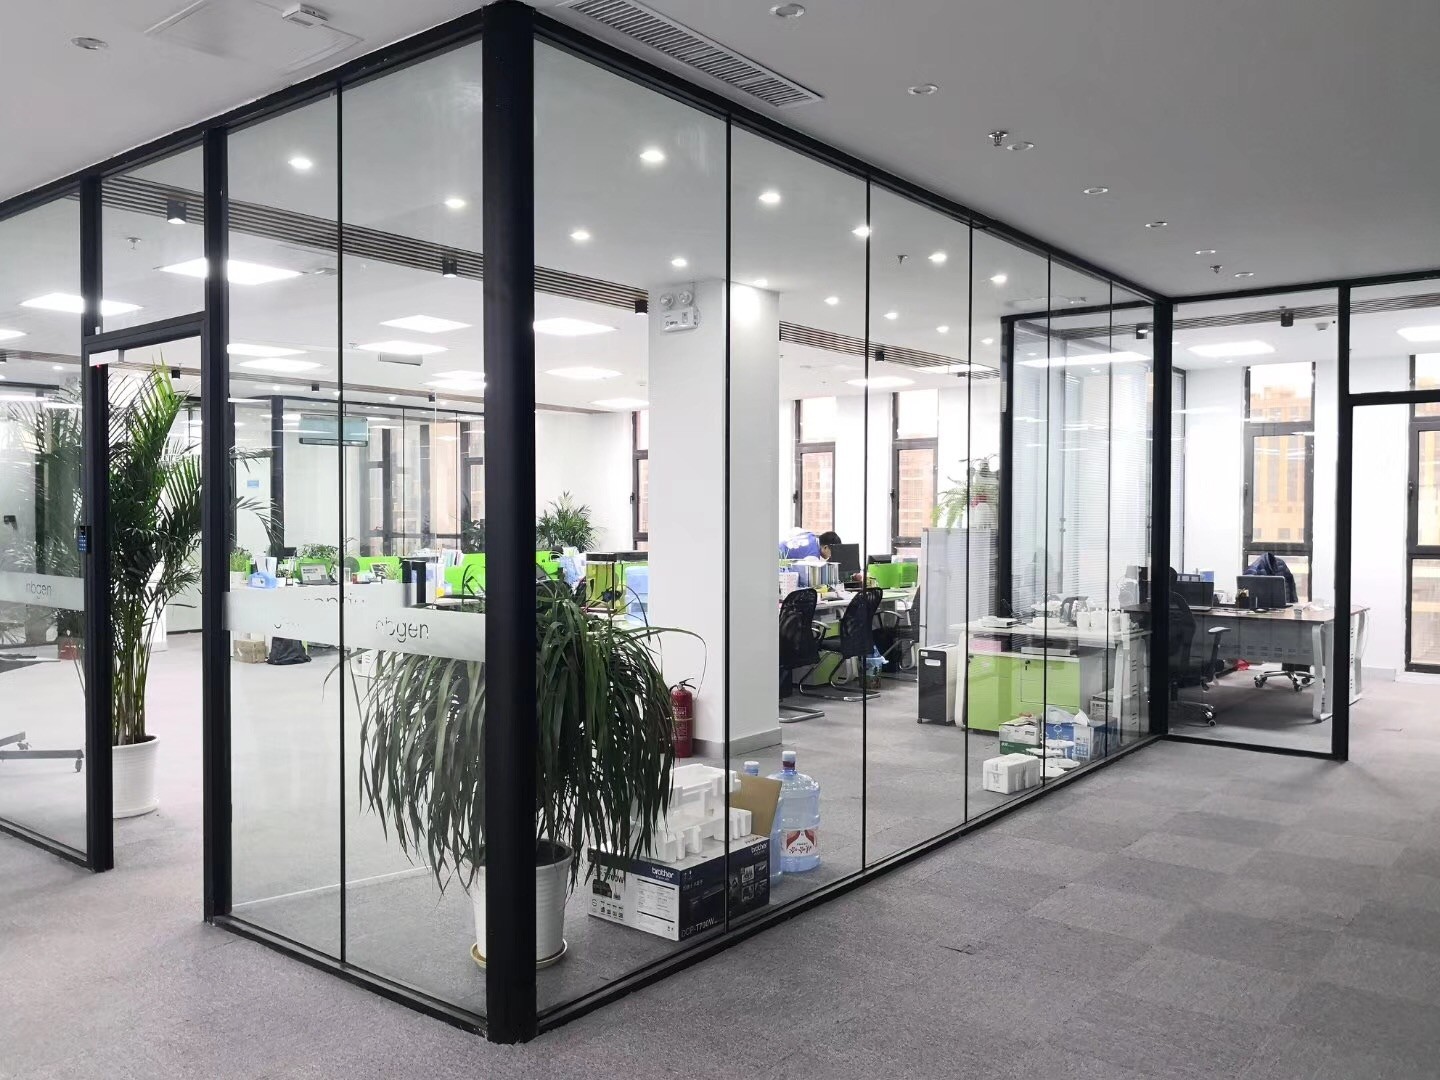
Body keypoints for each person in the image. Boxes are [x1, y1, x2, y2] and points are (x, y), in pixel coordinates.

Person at [778, 530, 843, 562]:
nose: (830, 556)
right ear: (825, 547)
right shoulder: (813, 556)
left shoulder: (810, 534)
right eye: (832, 553)